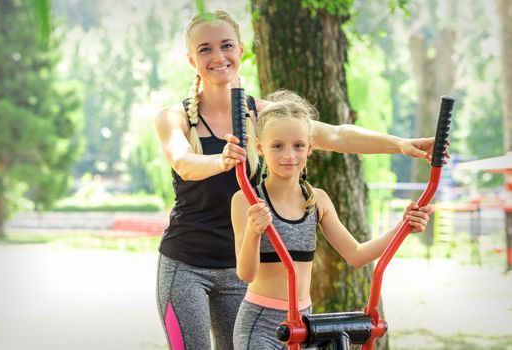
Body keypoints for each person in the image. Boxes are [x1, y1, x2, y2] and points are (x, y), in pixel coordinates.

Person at [155, 10, 442, 350]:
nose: (218, 56)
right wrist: (222, 159)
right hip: (186, 265)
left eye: (226, 45)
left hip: (241, 269)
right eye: (205, 49)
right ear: (191, 59)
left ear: (241, 49)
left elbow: (336, 135)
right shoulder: (175, 116)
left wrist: (399, 145)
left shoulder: (266, 117)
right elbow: (184, 162)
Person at [230, 91, 433, 349]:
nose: (289, 155)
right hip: (260, 324)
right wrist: (253, 231)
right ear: (260, 148)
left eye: (298, 145)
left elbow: (357, 255)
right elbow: (246, 274)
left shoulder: (318, 200)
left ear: (310, 148)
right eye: (277, 146)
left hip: (305, 324)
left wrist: (403, 227)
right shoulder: (245, 200)